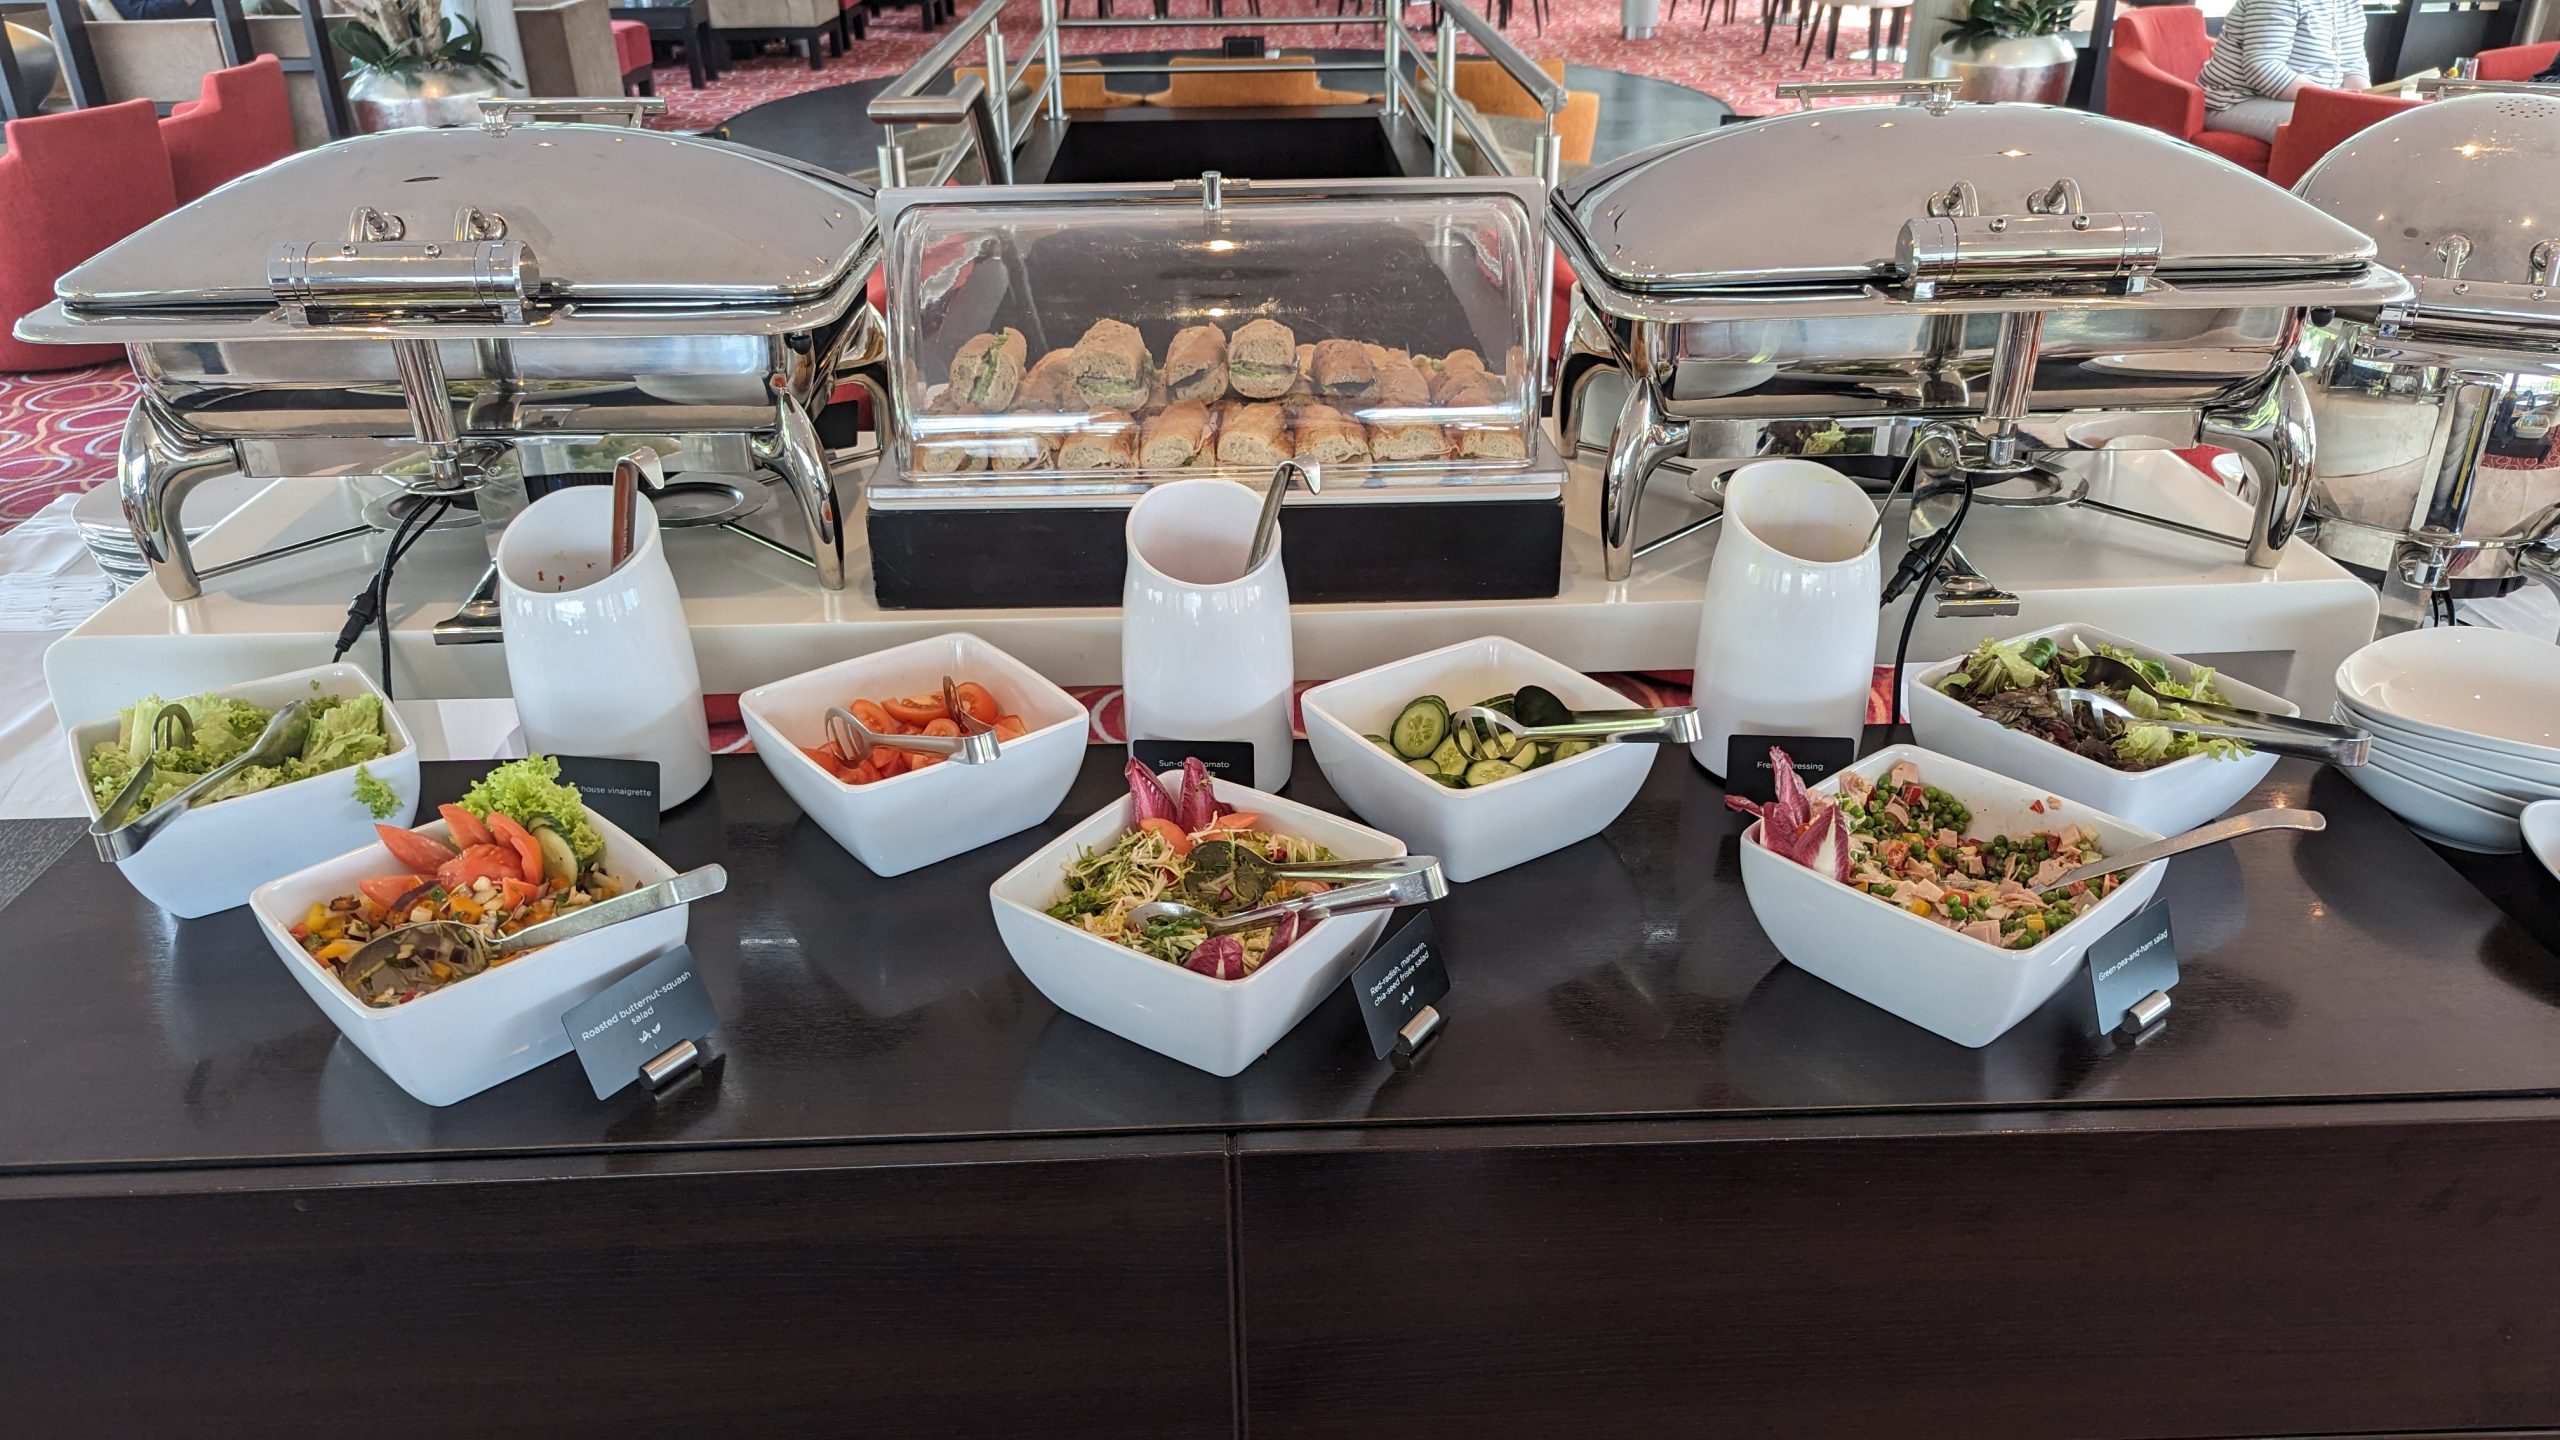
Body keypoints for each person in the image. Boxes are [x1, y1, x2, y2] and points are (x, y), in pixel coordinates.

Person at [2197, 0, 2373, 145]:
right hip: (2234, 100)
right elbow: (2263, 68)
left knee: (2375, 122)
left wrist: (2370, 103)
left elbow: (2353, 64)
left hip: (2309, 99)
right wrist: (2329, 100)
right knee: (2332, 125)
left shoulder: (2349, 3)